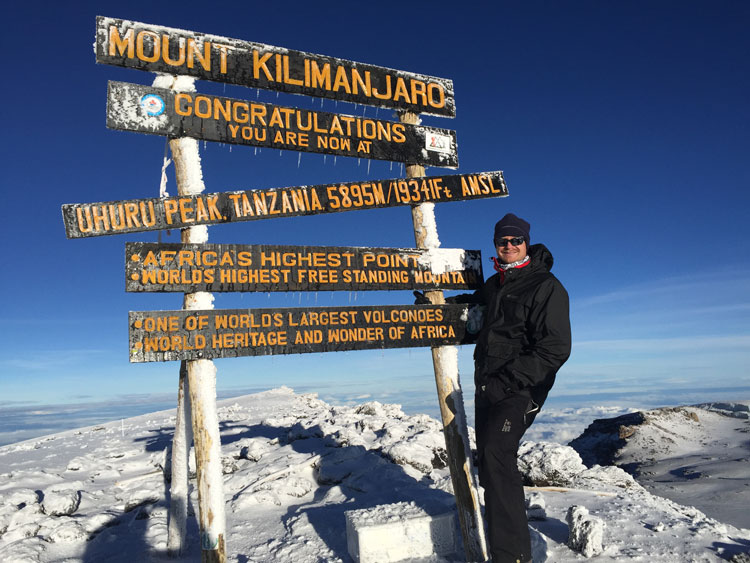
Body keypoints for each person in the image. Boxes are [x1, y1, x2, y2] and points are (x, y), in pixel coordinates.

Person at [419, 213, 571, 562]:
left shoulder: (545, 286)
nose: (509, 246)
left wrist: (510, 382)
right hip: (487, 387)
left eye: (516, 240)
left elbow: (555, 348)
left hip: (519, 390)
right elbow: (476, 314)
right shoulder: (495, 284)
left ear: (526, 244)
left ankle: (513, 555)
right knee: (488, 462)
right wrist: (435, 309)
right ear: (496, 245)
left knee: (498, 457)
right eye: (503, 241)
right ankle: (503, 535)